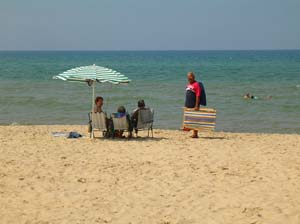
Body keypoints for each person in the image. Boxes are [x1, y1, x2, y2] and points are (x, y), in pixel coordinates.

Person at [185, 72, 201, 138]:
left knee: (195, 118)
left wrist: (197, 105)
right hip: (188, 104)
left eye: (190, 76)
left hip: (194, 104)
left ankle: (195, 134)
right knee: (190, 118)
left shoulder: (196, 84)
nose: (189, 78)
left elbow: (198, 95)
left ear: (194, 77)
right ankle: (189, 129)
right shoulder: (188, 85)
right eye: (188, 76)